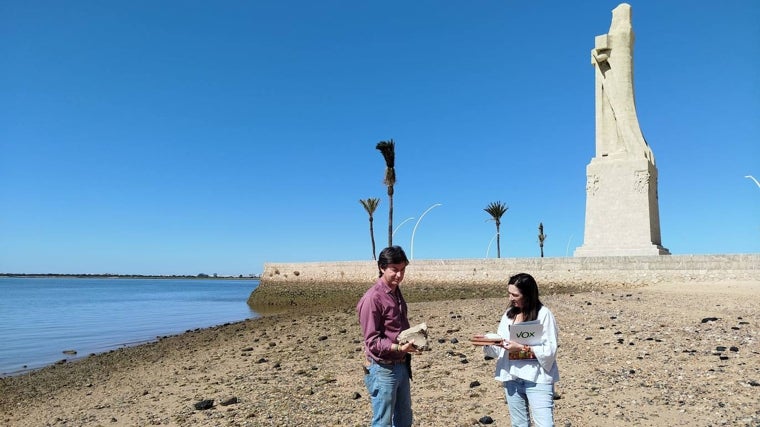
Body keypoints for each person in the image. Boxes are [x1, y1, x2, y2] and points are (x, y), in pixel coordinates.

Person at [482, 273, 559, 427]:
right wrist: (489, 343)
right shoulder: (509, 315)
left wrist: (521, 348)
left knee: (545, 424)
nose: (510, 298)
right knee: (519, 425)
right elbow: (501, 349)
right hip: (512, 378)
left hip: (537, 379)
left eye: (515, 295)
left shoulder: (544, 315)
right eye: (509, 293)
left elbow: (550, 351)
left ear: (528, 295)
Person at [357, 245, 419, 427]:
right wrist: (399, 347)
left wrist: (412, 344)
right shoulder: (372, 298)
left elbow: (397, 329)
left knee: (404, 419)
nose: (399, 275)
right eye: (394, 270)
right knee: (382, 422)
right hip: (383, 369)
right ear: (382, 268)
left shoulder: (395, 291)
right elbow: (372, 341)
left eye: (402, 270)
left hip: (401, 366)